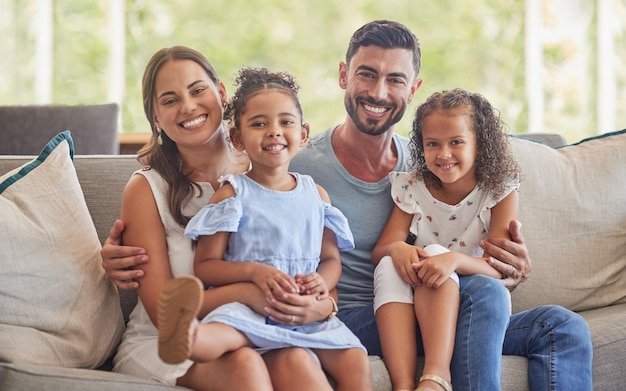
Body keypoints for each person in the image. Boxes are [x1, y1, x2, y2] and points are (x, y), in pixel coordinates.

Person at [103, 21, 593, 390]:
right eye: (366, 74)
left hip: (425, 304)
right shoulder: (287, 167)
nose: (379, 92)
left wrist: (506, 265)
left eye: (395, 80)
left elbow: (483, 236)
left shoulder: (425, 164)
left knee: (560, 325)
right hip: (359, 314)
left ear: (413, 89)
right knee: (478, 299)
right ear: (343, 76)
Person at [110, 46, 337, 391]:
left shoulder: (268, 169)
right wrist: (247, 292)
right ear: (156, 118)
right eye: (170, 101)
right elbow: (163, 312)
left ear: (220, 93)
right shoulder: (146, 189)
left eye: (198, 90)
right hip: (169, 341)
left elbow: (316, 261)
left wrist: (319, 307)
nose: (188, 106)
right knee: (245, 367)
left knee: (298, 362)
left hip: (262, 327)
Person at [157, 67, 372, 391]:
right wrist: (255, 273)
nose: (273, 132)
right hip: (249, 309)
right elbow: (205, 267)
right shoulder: (233, 194)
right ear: (237, 138)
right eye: (259, 124)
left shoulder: (316, 196)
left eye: (285, 122)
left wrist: (320, 285)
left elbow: (330, 260)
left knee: (355, 358)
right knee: (219, 335)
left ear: (303, 133)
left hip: (302, 309)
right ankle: (184, 334)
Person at [370, 88, 521, 391]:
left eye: (456, 142)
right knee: (390, 263)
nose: (444, 154)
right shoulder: (412, 187)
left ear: (479, 145)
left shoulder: (499, 192)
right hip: (422, 300)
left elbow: (500, 270)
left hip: (476, 298)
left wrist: (452, 260)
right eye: (433, 144)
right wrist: (398, 248)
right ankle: (403, 385)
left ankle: (436, 377)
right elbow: (381, 250)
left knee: (435, 251)